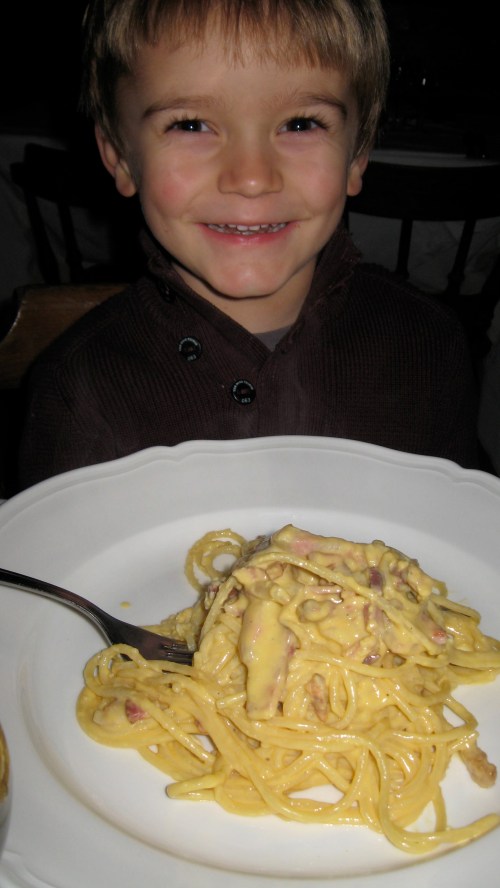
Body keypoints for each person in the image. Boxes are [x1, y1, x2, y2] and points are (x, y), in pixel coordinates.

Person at [17, 0, 478, 491]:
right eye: (190, 124)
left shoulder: (431, 348)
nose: (252, 178)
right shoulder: (76, 392)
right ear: (119, 156)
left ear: (357, 153)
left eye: (300, 124)